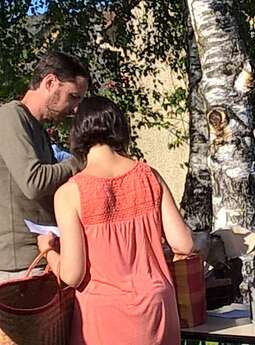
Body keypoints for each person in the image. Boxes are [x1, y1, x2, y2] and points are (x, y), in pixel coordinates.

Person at [37, 95, 194, 345]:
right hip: (157, 308)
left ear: (77, 134)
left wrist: (48, 252)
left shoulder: (69, 193)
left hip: (103, 314)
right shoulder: (149, 176)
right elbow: (184, 244)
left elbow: (72, 275)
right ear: (120, 128)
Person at [0, 52, 90, 279]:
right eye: (73, 96)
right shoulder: (10, 116)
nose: (75, 108)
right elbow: (34, 182)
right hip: (20, 266)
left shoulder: (36, 128)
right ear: (49, 83)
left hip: (40, 256)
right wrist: (81, 161)